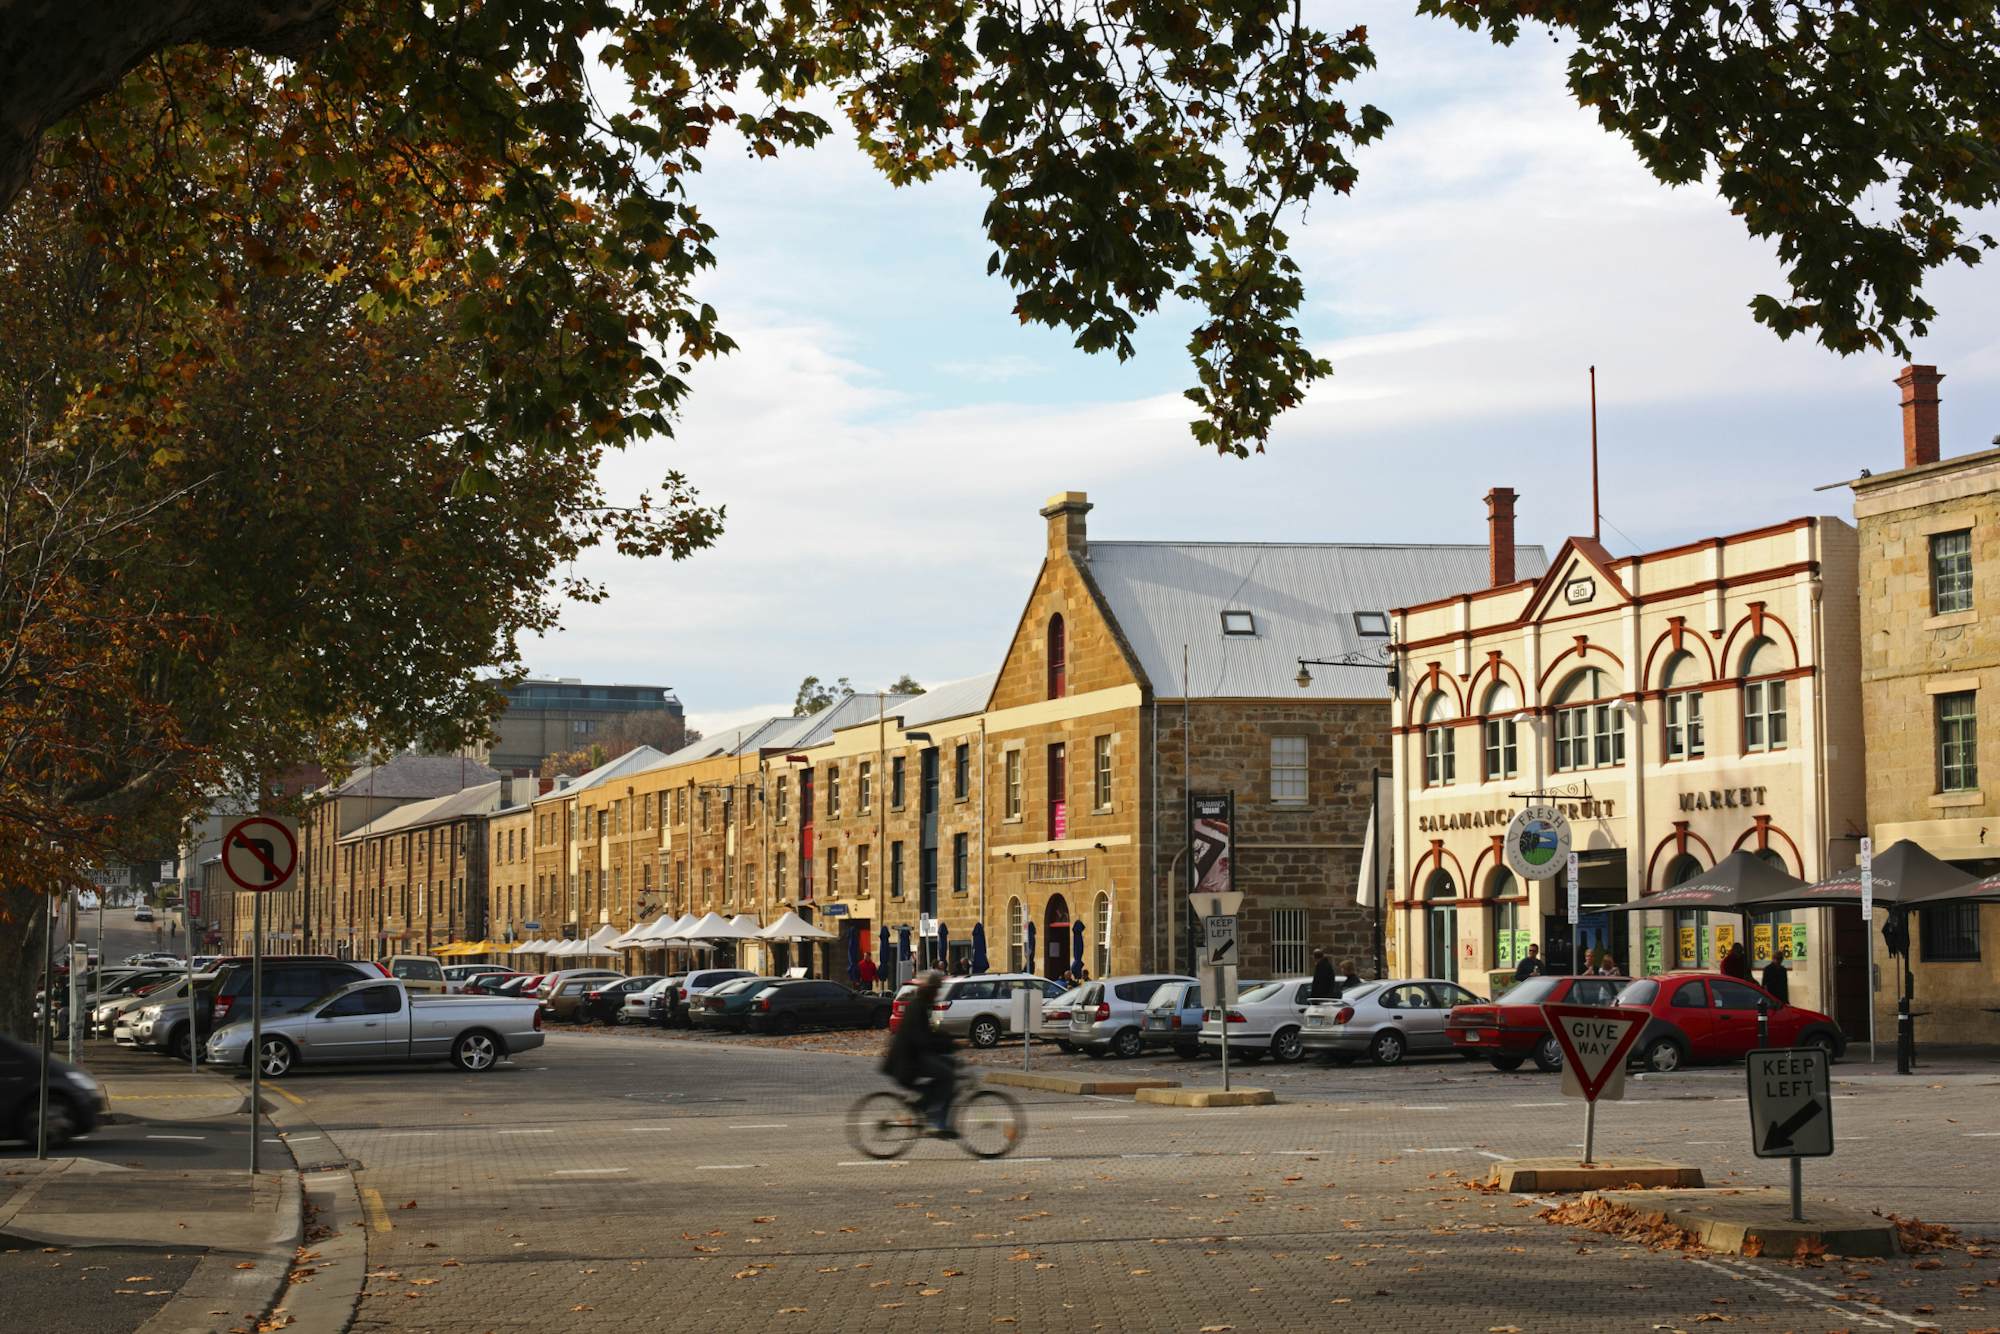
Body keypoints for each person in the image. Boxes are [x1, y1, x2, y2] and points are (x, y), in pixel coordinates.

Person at [881, 970, 958, 1136]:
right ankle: (933, 1118)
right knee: (946, 1076)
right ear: (930, 989)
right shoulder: (918, 1007)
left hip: (910, 1057)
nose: (938, 993)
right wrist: (946, 1045)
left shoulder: (920, 1004)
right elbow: (922, 1039)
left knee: (946, 1069)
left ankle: (929, 1110)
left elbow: (928, 1034)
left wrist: (949, 1041)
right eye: (936, 989)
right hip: (907, 1062)